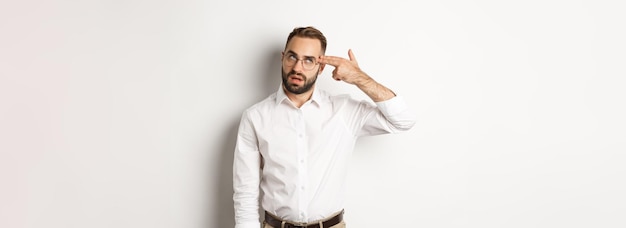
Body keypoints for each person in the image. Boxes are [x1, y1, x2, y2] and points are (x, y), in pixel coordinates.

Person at [233, 26, 416, 228]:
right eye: (292, 57)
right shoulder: (255, 117)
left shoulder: (344, 111)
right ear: (283, 58)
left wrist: (358, 78)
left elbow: (403, 120)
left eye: (308, 60)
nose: (297, 68)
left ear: (321, 68)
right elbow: (245, 192)